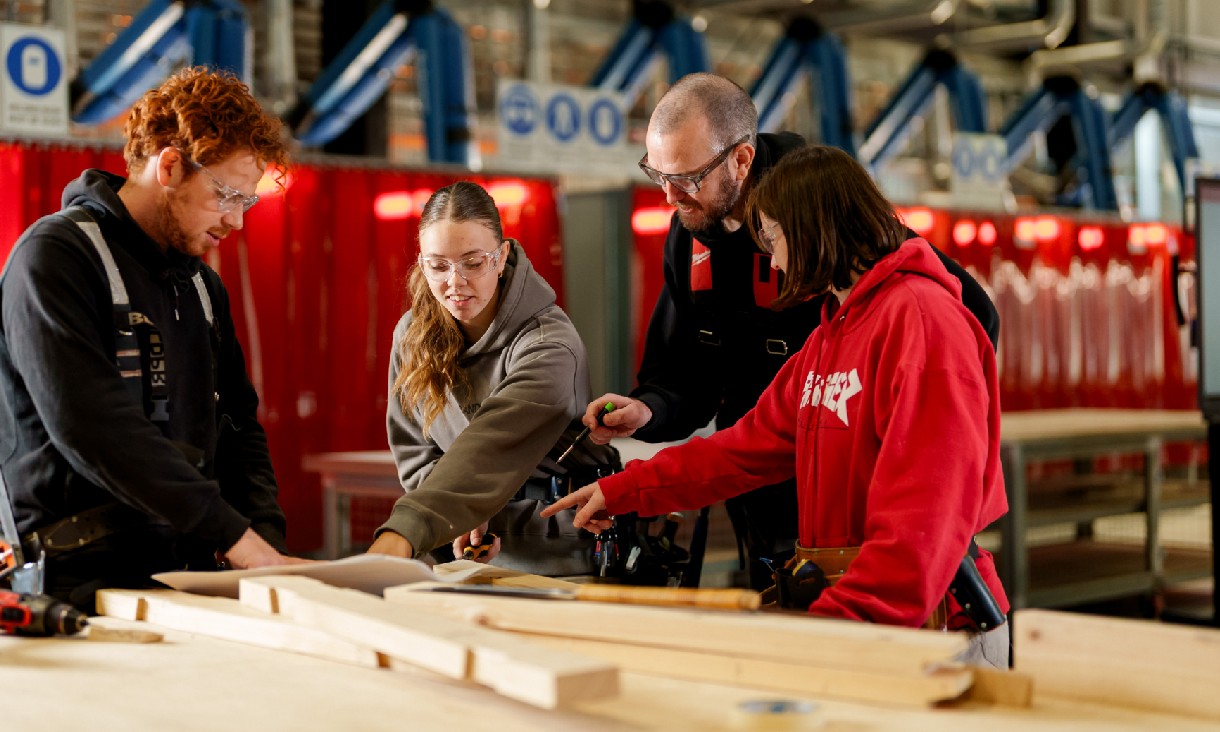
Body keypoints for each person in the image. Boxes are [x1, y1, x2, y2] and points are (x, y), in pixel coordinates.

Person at [545, 144, 1010, 667]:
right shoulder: (830, 337)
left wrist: (838, 631)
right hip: (867, 624)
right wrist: (623, 490)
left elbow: (924, 520)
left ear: (814, 229)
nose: (773, 258)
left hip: (929, 630)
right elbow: (742, 451)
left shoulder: (922, 322)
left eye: (772, 236)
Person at [583, 73, 1000, 590]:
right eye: (657, 174)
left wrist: (890, 435)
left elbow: (914, 545)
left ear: (741, 160)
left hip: (867, 513)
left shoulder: (850, 243)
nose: (670, 197)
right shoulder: (816, 335)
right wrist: (647, 425)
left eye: (687, 178)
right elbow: (733, 427)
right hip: (772, 488)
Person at [0, 67, 302, 612]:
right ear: (169, 166)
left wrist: (265, 543)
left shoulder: (202, 285)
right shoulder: (56, 257)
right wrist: (233, 535)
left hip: (184, 578)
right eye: (225, 195)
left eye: (247, 202)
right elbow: (92, 427)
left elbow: (238, 427)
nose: (236, 220)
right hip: (74, 587)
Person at [366, 181, 619, 576]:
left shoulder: (550, 345)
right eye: (438, 266)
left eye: (473, 263)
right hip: (466, 551)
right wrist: (457, 523)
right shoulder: (412, 335)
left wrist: (404, 532)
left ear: (501, 258)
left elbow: (491, 448)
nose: (455, 282)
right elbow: (416, 453)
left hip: (562, 554)